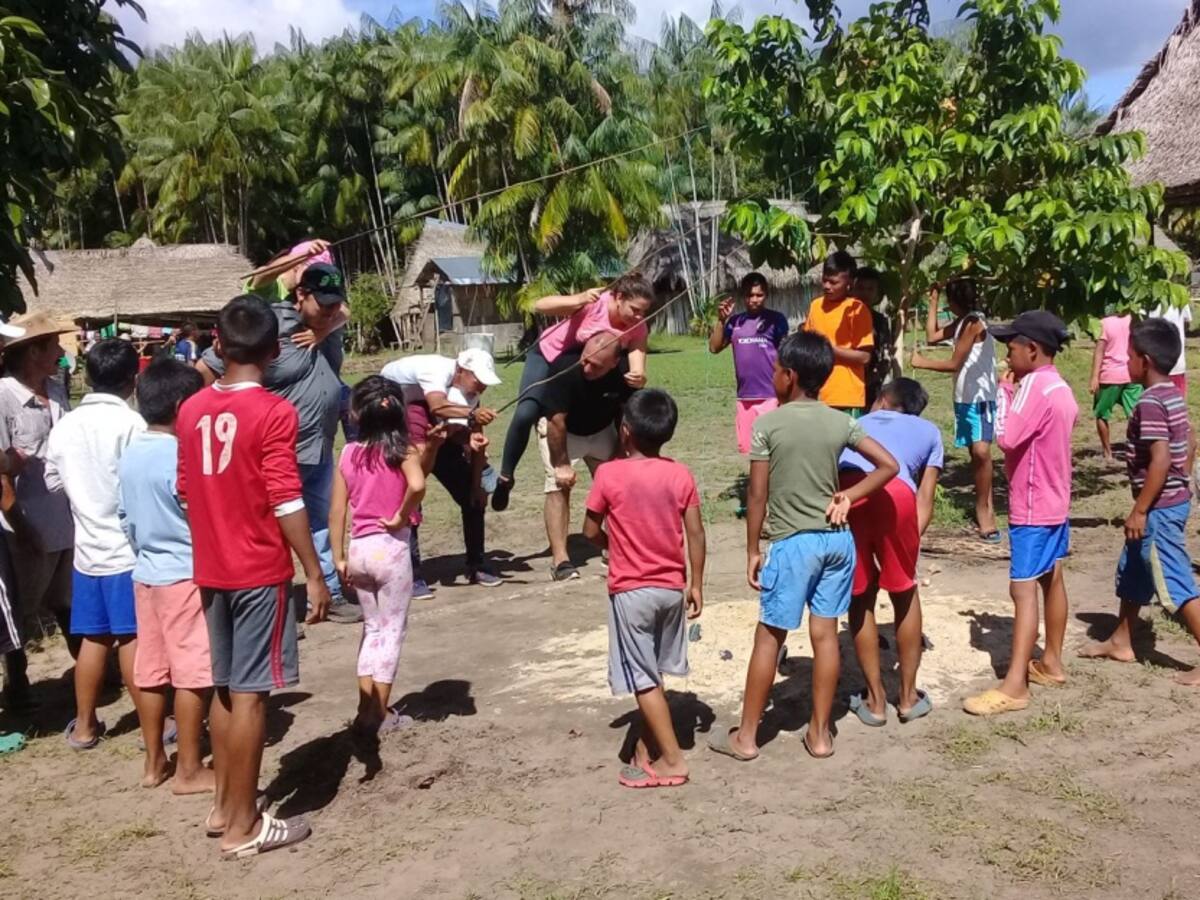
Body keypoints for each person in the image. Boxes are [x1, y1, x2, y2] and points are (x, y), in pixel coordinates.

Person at [178, 294, 330, 858]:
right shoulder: (273, 412)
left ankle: (223, 806)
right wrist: (312, 572)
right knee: (252, 695)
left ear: (217, 344)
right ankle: (245, 825)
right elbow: (287, 500)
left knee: (224, 686)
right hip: (259, 569)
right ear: (275, 350)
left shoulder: (191, 410)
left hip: (211, 567)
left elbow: (187, 490)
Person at [709, 333, 899, 762]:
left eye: (777, 368)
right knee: (826, 636)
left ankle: (746, 737)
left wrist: (753, 548)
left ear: (789, 376)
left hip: (793, 545)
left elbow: (757, 495)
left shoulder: (768, 424)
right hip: (837, 543)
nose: (773, 374)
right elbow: (889, 465)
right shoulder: (840, 421)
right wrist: (850, 496)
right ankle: (820, 735)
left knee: (770, 637)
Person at [198, 262, 357, 622]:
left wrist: (324, 328)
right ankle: (277, 607)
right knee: (273, 528)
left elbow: (345, 312)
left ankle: (330, 593)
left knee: (320, 522)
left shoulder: (327, 326)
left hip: (319, 446)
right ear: (301, 295)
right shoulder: (273, 323)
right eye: (323, 303)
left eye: (335, 303)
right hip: (278, 450)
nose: (331, 310)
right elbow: (209, 367)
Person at [583, 389, 705, 788]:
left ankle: (672, 760)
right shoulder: (680, 474)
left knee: (642, 676)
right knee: (655, 669)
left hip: (631, 590)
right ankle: (648, 745)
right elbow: (696, 534)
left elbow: (589, 531)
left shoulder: (608, 474)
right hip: (672, 588)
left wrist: (612, 546)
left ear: (625, 430)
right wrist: (697, 584)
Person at [962, 311, 1077, 716]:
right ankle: (1052, 662)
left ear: (1033, 349)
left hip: (1030, 504)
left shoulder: (1032, 387)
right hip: (1056, 501)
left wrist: (1006, 395)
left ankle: (1015, 686)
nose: (1007, 357)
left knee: (1022, 589)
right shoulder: (1062, 389)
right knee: (1051, 577)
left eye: (1011, 349)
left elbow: (1008, 438)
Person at [1080, 319, 1200, 684]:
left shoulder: (1149, 403)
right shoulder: (1172, 395)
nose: (1125, 363)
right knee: (1133, 568)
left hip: (1159, 509)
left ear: (1144, 361)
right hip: (1172, 499)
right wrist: (1184, 479)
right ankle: (1121, 640)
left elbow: (1160, 459)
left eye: (1129, 356)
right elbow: (1191, 438)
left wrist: (1141, 509)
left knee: (1175, 580)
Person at [45, 340, 148, 751]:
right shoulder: (133, 426)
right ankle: (151, 722)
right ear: (132, 380)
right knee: (131, 638)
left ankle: (85, 726)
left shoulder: (66, 425)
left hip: (86, 550)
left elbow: (53, 482)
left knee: (92, 638)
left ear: (86, 377)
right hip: (125, 549)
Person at [117, 359, 214, 791]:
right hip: (184, 573)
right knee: (194, 672)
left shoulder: (131, 453)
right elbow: (195, 513)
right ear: (181, 406)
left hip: (146, 573)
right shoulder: (180, 455)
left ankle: (155, 761)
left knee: (152, 670)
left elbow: (124, 516)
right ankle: (190, 767)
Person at [492, 273, 655, 511]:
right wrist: (578, 298)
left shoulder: (636, 325)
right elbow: (539, 305)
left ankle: (622, 459)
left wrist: (639, 374)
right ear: (618, 297)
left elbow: (637, 353)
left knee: (627, 400)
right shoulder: (596, 303)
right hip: (549, 355)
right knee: (527, 411)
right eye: (635, 309)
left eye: (644, 312)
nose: (639, 316)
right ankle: (506, 478)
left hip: (582, 368)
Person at [838, 377, 943, 726]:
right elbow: (924, 498)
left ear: (882, 400)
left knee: (861, 597)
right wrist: (908, 541)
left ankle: (875, 699)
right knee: (904, 591)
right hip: (898, 497)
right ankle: (909, 698)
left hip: (848, 493)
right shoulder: (929, 431)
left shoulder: (853, 424)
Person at [330, 376, 426, 736]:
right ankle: (378, 713)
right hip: (391, 549)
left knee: (371, 629)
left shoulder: (348, 453)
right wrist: (402, 515)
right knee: (392, 631)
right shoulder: (403, 449)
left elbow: (337, 511)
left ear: (357, 414)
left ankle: (364, 706)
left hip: (358, 550)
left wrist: (338, 557)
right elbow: (417, 485)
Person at [0, 312, 76, 714]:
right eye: (52, 346)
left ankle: (88, 671)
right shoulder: (3, 397)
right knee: (21, 606)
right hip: (25, 522)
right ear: (32, 352)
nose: (61, 353)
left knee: (67, 599)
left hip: (64, 516)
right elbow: (2, 475)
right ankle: (18, 683)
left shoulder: (58, 389)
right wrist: (21, 526)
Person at [380, 349, 503, 588]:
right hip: (400, 420)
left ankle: (477, 563)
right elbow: (437, 407)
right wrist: (469, 416)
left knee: (471, 496)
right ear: (461, 370)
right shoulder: (434, 372)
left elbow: (476, 436)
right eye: (478, 379)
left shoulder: (470, 395)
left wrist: (476, 486)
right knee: (411, 497)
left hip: (436, 428)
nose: (482, 386)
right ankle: (411, 574)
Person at [539, 334, 634, 581]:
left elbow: (627, 412)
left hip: (601, 429)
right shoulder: (564, 366)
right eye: (586, 361)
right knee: (558, 486)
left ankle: (614, 548)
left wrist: (621, 450)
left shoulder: (624, 371)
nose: (587, 367)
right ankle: (560, 560)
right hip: (563, 430)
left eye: (596, 366)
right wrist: (561, 464)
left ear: (614, 363)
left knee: (618, 485)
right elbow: (555, 420)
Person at [911, 280, 999, 542]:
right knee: (975, 452)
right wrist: (933, 302)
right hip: (964, 397)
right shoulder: (962, 322)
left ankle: (984, 511)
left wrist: (921, 362)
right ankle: (986, 503)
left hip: (981, 398)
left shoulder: (974, 323)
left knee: (982, 452)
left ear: (957, 301)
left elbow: (954, 364)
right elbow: (931, 336)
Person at [709, 272, 789, 454]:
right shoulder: (735, 322)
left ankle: (772, 482)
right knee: (750, 449)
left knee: (772, 446)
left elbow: (785, 356)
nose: (754, 300)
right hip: (744, 397)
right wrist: (721, 320)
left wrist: (784, 394)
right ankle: (756, 482)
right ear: (743, 296)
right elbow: (714, 348)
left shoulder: (776, 320)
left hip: (770, 396)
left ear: (766, 295)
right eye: (749, 295)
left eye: (759, 295)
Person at [801, 251, 874, 416]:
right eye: (824, 280)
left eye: (833, 282)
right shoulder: (815, 306)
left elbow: (864, 357)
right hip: (817, 396)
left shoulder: (857, 310)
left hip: (846, 398)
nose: (827, 286)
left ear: (849, 282)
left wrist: (828, 348)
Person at [1089, 313, 1142, 461]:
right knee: (1136, 414)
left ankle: (1107, 453)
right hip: (1132, 373)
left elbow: (1099, 351)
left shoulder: (1103, 323)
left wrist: (1094, 377)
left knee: (1102, 414)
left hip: (1110, 375)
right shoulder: (1134, 318)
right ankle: (1138, 448)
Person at [853, 266, 897, 409]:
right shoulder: (843, 319)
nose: (865, 293)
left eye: (870, 289)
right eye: (860, 288)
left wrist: (872, 378)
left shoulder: (880, 321)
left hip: (872, 390)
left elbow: (885, 357)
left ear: (878, 293)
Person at [1155, 300, 1192, 396]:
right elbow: (1187, 323)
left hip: (1156, 366)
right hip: (1176, 363)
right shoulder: (1179, 296)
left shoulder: (1147, 298)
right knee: (1176, 406)